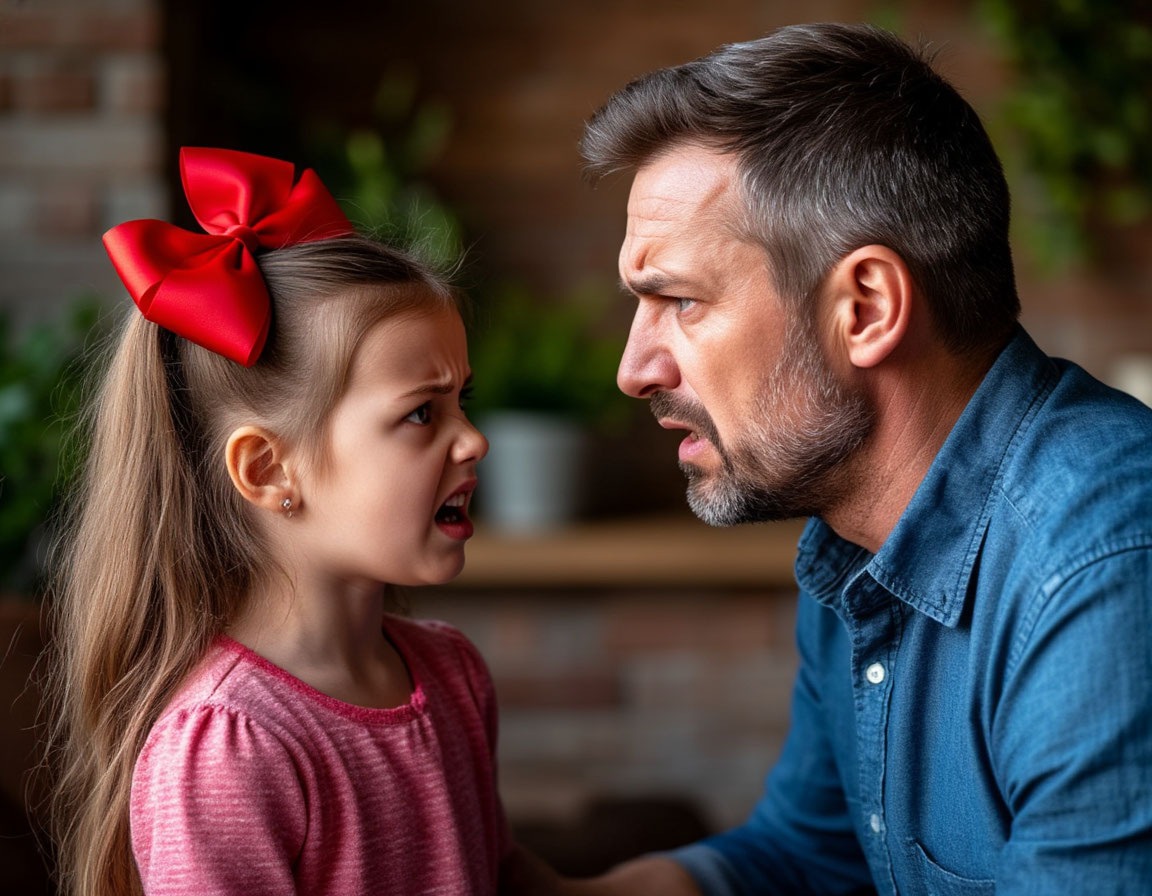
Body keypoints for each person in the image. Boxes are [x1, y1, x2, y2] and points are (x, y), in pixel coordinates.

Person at [505, 21, 1152, 896]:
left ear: (865, 310)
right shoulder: (856, 538)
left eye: (681, 301)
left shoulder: (1105, 568)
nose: (634, 369)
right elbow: (807, 858)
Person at [46, 147, 512, 896]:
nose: (474, 440)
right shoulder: (227, 747)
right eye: (423, 413)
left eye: (464, 400)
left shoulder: (454, 674)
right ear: (267, 470)